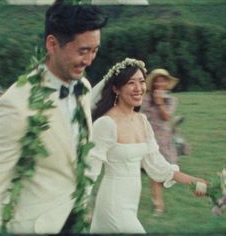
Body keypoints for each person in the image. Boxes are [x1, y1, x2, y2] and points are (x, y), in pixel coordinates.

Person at [0, 2, 107, 234]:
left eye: (95, 50)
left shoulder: (83, 86)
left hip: (77, 222)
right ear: (52, 44)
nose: (90, 60)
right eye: (83, 51)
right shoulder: (15, 105)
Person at [86, 58, 207, 234]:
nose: (139, 88)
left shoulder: (142, 121)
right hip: (113, 205)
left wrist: (193, 181)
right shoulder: (106, 124)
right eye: (131, 83)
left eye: (142, 82)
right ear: (116, 88)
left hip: (131, 204)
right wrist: (78, 208)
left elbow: (157, 165)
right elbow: (90, 170)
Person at [141, 68, 179, 215]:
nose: (160, 82)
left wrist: (160, 102)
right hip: (148, 139)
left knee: (166, 173)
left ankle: (156, 197)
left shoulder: (171, 99)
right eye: (157, 80)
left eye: (163, 80)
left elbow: (166, 117)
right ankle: (158, 205)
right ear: (154, 82)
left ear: (166, 83)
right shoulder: (145, 98)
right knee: (154, 172)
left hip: (164, 141)